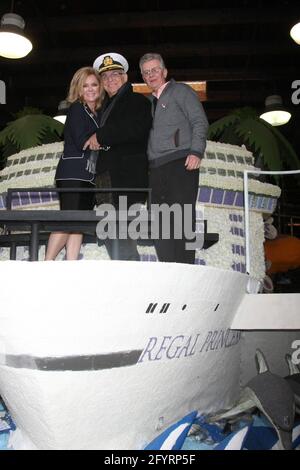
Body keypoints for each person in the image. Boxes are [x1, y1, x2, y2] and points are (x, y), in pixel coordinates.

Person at [139, 52, 209, 264]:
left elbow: (200, 121)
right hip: (156, 169)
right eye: (146, 72)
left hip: (181, 163)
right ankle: (170, 269)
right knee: (159, 223)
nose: (151, 75)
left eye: (155, 70)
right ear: (142, 77)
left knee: (182, 219)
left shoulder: (181, 91)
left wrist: (196, 151)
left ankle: (186, 270)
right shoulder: (148, 103)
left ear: (165, 71)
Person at [84, 52, 152, 260]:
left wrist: (100, 135)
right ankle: (126, 276)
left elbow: (135, 129)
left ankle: (132, 278)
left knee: (121, 230)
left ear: (125, 77)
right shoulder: (104, 107)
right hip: (105, 176)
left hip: (125, 177)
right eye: (105, 77)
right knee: (110, 231)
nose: (110, 79)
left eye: (115, 74)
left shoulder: (138, 101)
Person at [45, 67, 104, 261]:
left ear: (100, 87)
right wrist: (104, 140)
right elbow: (82, 141)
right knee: (68, 221)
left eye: (94, 84)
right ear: (78, 89)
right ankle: (45, 264)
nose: (90, 89)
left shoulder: (96, 113)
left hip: (87, 175)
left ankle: (71, 266)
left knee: (78, 223)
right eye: (84, 85)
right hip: (72, 174)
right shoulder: (77, 108)